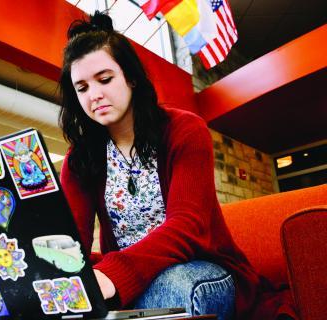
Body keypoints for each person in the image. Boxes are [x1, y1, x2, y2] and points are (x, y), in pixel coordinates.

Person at [58, 12, 266, 320]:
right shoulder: (80, 158)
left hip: (200, 267)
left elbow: (188, 226)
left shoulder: (184, 130)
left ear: (130, 77)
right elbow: (73, 238)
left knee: (172, 288)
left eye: (104, 80)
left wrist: (113, 274)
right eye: (82, 88)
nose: (95, 95)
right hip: (128, 277)